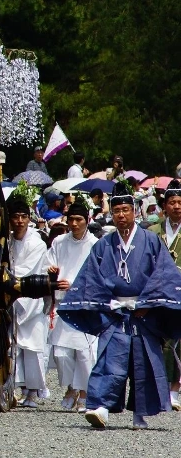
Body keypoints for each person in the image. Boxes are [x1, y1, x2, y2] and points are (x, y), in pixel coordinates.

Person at [58, 182, 181, 429]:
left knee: (142, 362)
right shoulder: (104, 245)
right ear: (111, 214)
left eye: (125, 210)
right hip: (115, 311)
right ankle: (100, 407)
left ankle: (140, 415)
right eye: (116, 211)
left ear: (135, 211)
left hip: (144, 312)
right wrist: (107, 302)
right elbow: (92, 276)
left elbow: (162, 274)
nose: (121, 215)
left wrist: (148, 303)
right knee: (109, 361)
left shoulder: (150, 241)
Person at [46, 202, 98, 413]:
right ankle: (71, 388)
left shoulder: (95, 244)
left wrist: (75, 285)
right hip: (62, 302)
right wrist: (50, 269)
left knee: (84, 353)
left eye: (79, 220)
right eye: (71, 220)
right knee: (61, 353)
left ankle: (84, 393)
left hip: (84, 304)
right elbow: (48, 261)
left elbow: (98, 276)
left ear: (87, 220)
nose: (75, 224)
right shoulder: (59, 241)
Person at [7, 195, 50, 408]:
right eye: (15, 217)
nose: (20, 221)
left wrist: (5, 277)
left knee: (32, 347)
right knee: (13, 346)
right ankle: (18, 388)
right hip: (10, 297)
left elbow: (28, 270)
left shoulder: (37, 243)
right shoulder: (6, 241)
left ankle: (33, 391)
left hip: (31, 296)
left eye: (24, 216)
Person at [144, 179, 181, 410]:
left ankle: (176, 387)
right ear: (164, 205)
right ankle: (163, 385)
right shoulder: (153, 231)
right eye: (172, 202)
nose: (177, 206)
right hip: (159, 291)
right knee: (163, 340)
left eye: (180, 202)